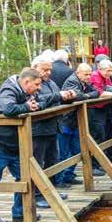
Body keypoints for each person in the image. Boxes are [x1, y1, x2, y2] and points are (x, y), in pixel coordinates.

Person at [0, 68, 43, 222]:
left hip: (15, 144)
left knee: (25, 177)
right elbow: (8, 109)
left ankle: (20, 212)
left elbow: (38, 101)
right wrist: (27, 107)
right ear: (26, 81)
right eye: (36, 84)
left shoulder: (27, 92)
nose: (38, 88)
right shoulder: (9, 89)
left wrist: (33, 105)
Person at [30, 53, 75, 209]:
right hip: (37, 130)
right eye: (45, 69)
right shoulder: (30, 83)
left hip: (52, 128)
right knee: (38, 164)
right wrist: (58, 96)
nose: (48, 72)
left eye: (49, 69)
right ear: (35, 68)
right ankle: (37, 196)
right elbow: (37, 101)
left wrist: (68, 96)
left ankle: (50, 191)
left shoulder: (50, 82)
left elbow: (56, 96)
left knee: (52, 161)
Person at [56, 63, 100, 186]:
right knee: (63, 152)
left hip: (75, 121)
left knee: (77, 150)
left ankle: (68, 175)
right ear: (78, 73)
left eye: (90, 74)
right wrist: (85, 96)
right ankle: (59, 179)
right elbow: (76, 96)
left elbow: (96, 92)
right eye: (86, 74)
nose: (89, 76)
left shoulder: (85, 82)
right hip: (66, 121)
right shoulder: (72, 81)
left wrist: (85, 96)